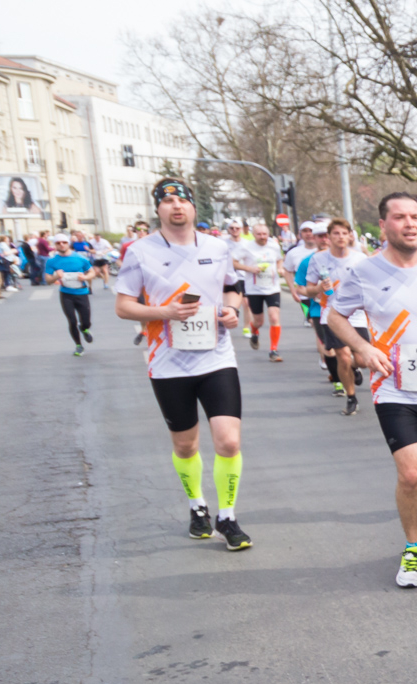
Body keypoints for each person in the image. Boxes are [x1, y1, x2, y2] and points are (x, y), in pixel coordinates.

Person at [327, 192, 417, 588]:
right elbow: (335, 316)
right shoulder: (364, 271)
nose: (411, 223)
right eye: (400, 217)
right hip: (392, 387)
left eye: (416, 216)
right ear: (383, 225)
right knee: (412, 473)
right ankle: (412, 549)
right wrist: (362, 348)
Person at [114, 177, 252, 551]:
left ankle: (227, 516)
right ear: (157, 209)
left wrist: (231, 310)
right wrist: (166, 312)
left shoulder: (217, 247)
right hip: (168, 362)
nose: (177, 206)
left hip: (217, 356)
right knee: (186, 445)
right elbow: (123, 306)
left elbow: (232, 288)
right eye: (168, 201)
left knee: (229, 440)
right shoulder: (139, 251)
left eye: (183, 200)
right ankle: (197, 506)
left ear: (193, 206)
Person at [303, 219, 367, 414]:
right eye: (336, 233)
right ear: (329, 237)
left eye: (344, 233)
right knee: (343, 357)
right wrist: (319, 288)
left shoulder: (360, 259)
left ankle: (355, 368)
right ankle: (351, 397)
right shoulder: (318, 259)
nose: (340, 237)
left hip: (357, 314)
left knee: (363, 359)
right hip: (331, 313)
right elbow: (308, 289)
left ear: (350, 236)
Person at [284, 221, 331, 377]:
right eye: (305, 231)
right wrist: (295, 290)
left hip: (342, 306)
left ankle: (343, 365)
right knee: (316, 326)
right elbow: (290, 274)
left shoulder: (347, 256)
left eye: (326, 235)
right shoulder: (301, 256)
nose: (324, 239)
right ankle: (326, 358)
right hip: (313, 301)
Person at [235, 221, 285, 361]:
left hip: (272, 287)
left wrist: (280, 268)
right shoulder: (246, 247)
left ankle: (273, 350)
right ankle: (254, 330)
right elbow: (233, 262)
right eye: (259, 234)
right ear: (253, 234)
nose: (262, 237)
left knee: (274, 317)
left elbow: (279, 259)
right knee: (259, 321)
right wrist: (249, 269)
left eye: (265, 234)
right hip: (254, 289)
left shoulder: (274, 246)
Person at [44, 233, 96, 356]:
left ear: (68, 243)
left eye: (64, 242)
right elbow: (48, 280)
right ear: (55, 245)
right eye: (58, 243)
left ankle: (84, 329)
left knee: (86, 321)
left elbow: (92, 272)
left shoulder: (80, 258)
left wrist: (85, 277)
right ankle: (78, 345)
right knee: (72, 321)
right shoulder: (52, 261)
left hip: (82, 293)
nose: (61, 245)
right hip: (66, 294)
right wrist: (56, 276)